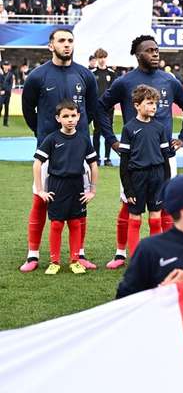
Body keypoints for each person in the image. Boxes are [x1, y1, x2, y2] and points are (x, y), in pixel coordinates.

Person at [98, 35, 183, 269]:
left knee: (162, 206)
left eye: (157, 50)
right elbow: (101, 107)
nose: (155, 53)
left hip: (163, 157)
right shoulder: (124, 82)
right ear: (137, 54)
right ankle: (121, 253)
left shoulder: (169, 80)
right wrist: (112, 140)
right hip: (134, 159)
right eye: (150, 50)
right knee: (128, 203)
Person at [20, 28, 99, 273]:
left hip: (80, 151)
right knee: (40, 199)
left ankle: (80, 254)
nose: (67, 45)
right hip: (49, 149)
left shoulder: (85, 75)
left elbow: (93, 110)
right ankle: (33, 255)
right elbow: (28, 110)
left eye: (70, 41)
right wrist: (43, 134)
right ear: (50, 45)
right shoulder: (37, 76)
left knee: (80, 201)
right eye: (61, 40)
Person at [32, 100, 99, 275]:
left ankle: (75, 261)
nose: (70, 119)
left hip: (77, 185)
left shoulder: (84, 139)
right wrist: (40, 190)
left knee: (76, 223)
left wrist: (92, 190)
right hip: (57, 186)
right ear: (58, 118)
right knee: (56, 224)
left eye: (73, 115)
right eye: (65, 116)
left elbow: (93, 165)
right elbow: (37, 163)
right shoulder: (52, 139)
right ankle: (54, 262)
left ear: (78, 117)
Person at [119, 85, 173, 257]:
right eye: (149, 103)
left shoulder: (159, 128)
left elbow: (165, 159)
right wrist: (128, 188)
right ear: (137, 105)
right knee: (135, 218)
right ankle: (135, 258)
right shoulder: (128, 128)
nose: (154, 107)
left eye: (155, 103)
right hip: (137, 177)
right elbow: (124, 162)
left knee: (155, 218)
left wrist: (166, 184)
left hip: (157, 176)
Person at [91, 48, 117, 166]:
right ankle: (96, 157)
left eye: (104, 57)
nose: (102, 60)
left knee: (108, 133)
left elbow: (115, 91)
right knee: (96, 132)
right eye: (99, 58)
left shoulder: (112, 73)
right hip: (96, 108)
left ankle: (107, 158)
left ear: (106, 58)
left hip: (109, 108)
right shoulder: (92, 73)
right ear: (96, 59)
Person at [0, 60, 14, 126]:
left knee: (6, 108)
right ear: (3, 66)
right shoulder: (0, 74)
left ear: (9, 66)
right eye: (5, 65)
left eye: (7, 65)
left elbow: (10, 85)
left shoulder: (10, 75)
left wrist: (5, 90)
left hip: (7, 94)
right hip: (1, 94)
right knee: (0, 106)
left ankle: (5, 123)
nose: (6, 67)